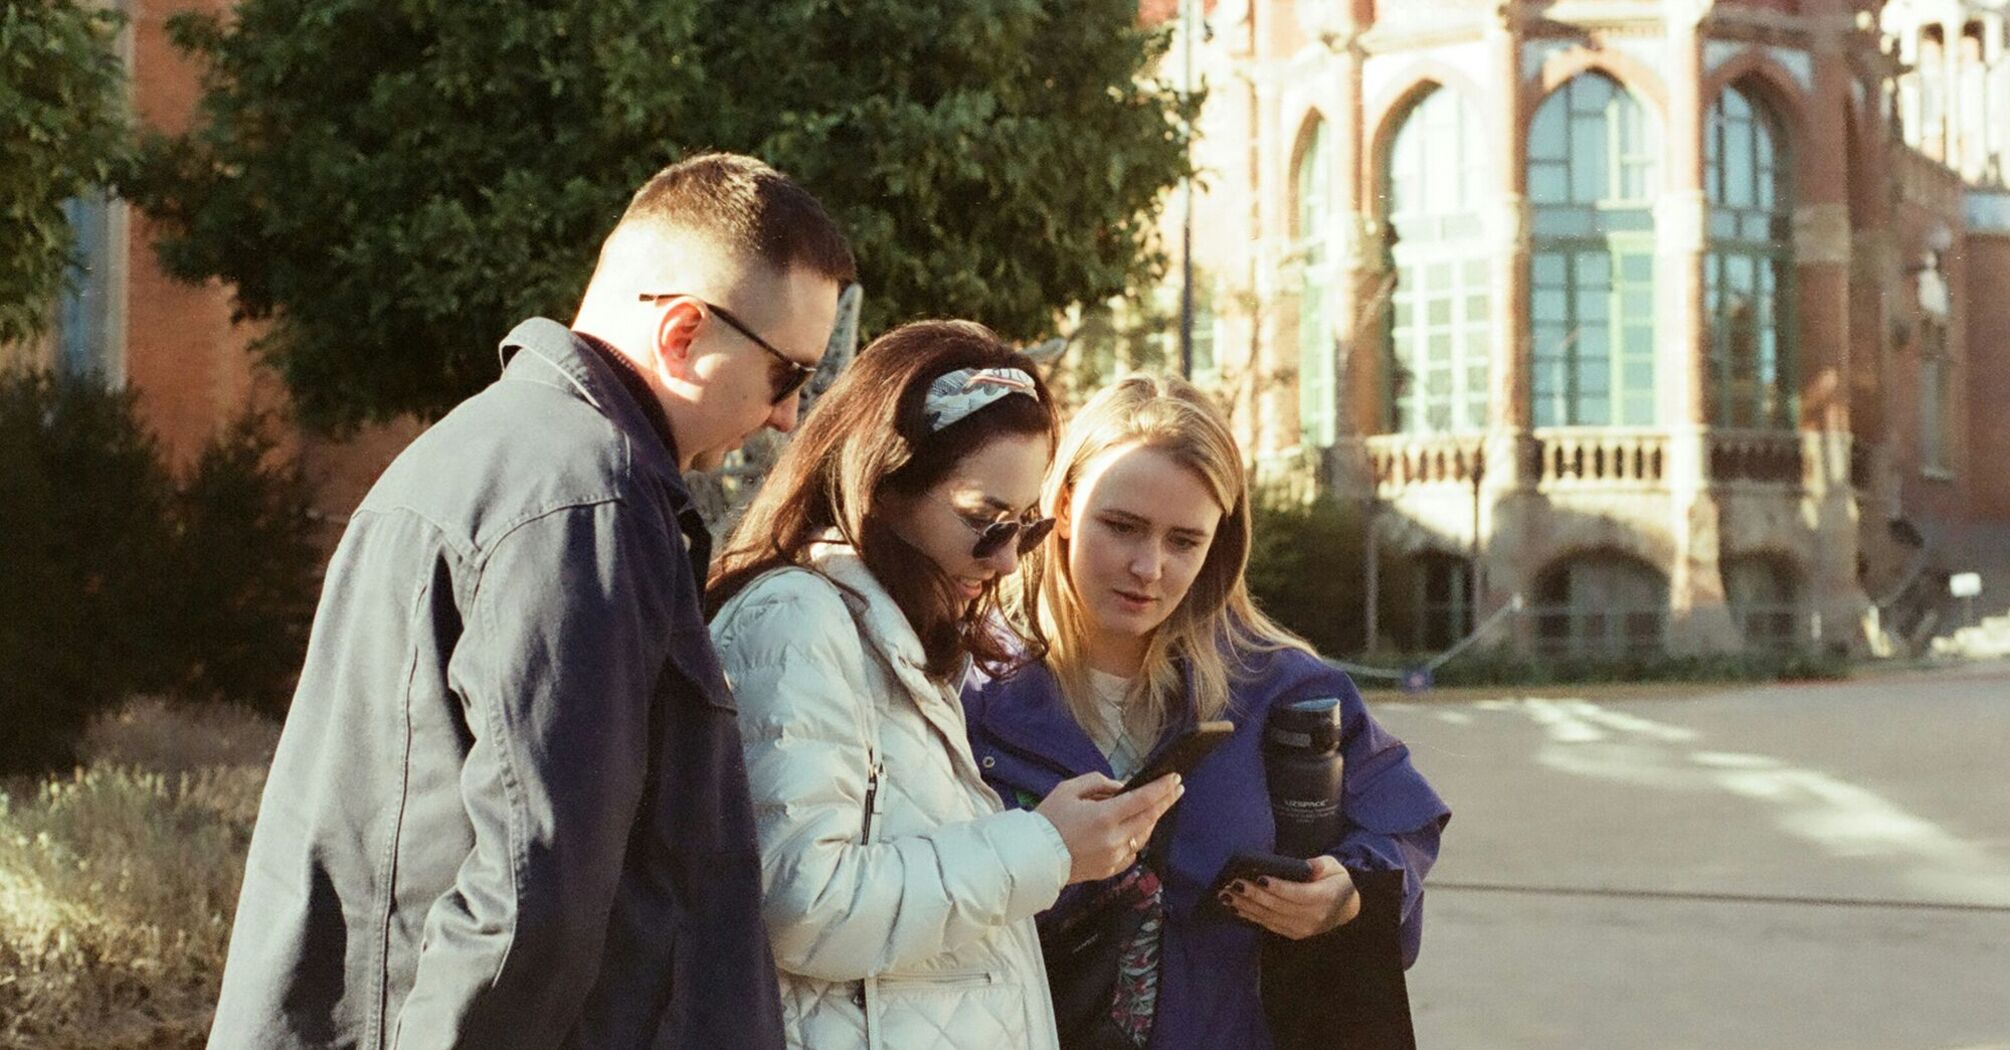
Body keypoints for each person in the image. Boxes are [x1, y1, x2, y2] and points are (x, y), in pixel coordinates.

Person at [207, 153, 855, 1050]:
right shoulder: (584, 499)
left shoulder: (494, 454)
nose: (788, 417)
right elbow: (528, 897)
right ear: (681, 333)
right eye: (789, 376)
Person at [706, 321, 1185, 1050]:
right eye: (982, 522)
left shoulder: (893, 634)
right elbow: (802, 904)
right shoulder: (798, 619)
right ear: (884, 485)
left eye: (1023, 529)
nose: (1004, 563)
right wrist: (1046, 848)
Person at [963, 375, 1451, 1050]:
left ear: (1219, 540)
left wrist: (1346, 892)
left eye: (1184, 541)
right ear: (1067, 503)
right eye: (1122, 526)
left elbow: (1403, 827)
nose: (1148, 567)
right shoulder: (964, 688)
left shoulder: (1282, 688)